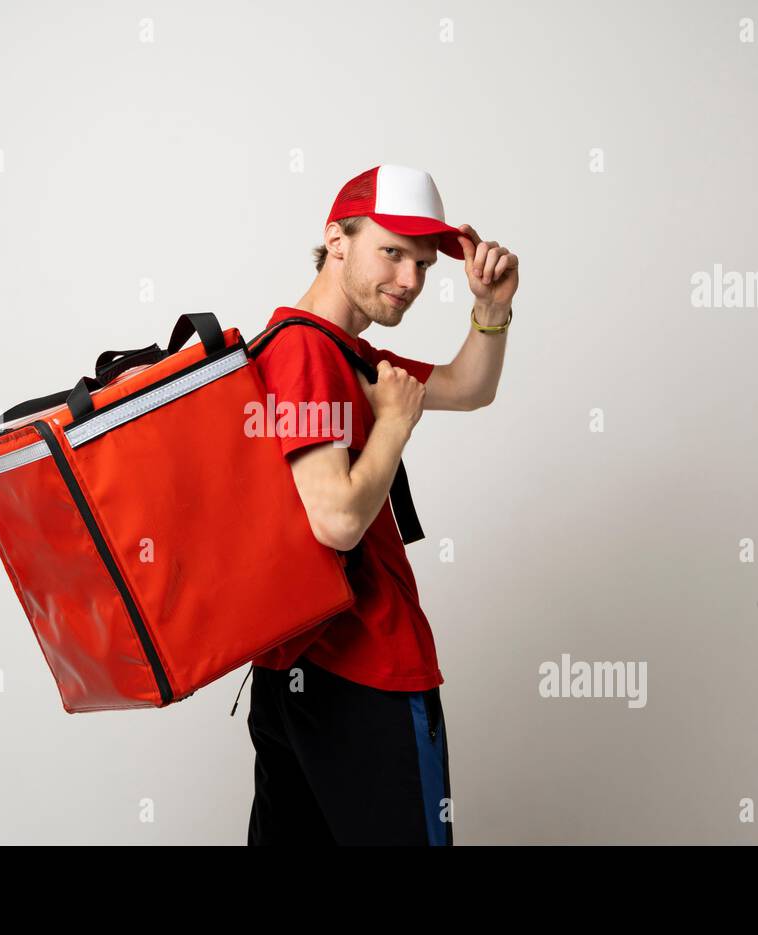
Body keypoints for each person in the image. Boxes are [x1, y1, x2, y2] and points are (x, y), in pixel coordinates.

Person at [238, 164, 520, 845]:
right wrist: (393, 425)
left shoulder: (343, 352)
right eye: (392, 253)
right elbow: (335, 519)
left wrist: (490, 309)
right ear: (337, 239)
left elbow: (467, 386)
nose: (411, 281)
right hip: (365, 667)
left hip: (293, 670)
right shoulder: (309, 351)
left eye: (424, 265)